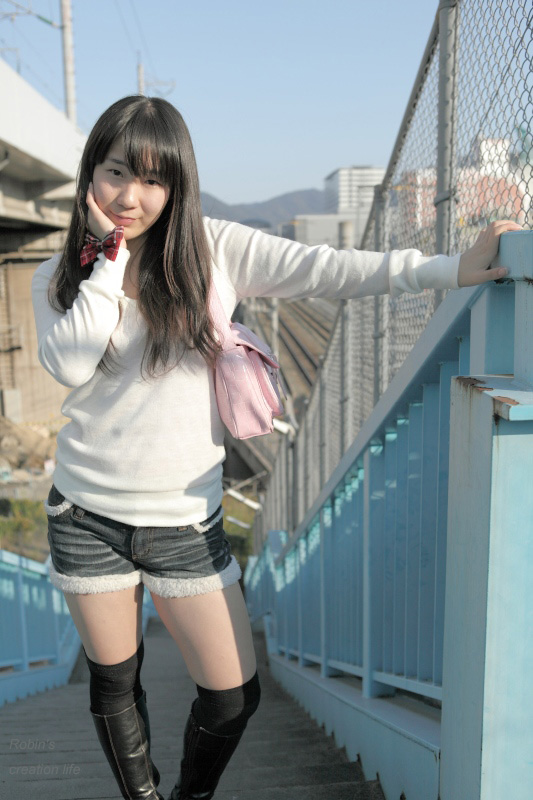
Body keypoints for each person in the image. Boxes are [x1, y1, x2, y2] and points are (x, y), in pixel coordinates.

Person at [31, 94, 520, 800]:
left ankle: (190, 794)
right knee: (115, 681)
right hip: (86, 515)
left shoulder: (213, 250)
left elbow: (329, 268)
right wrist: (108, 261)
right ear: (89, 175)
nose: (129, 197)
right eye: (114, 173)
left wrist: (447, 268)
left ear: (176, 185)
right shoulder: (61, 275)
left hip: (182, 522)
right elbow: (71, 363)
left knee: (233, 694)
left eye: (152, 179)